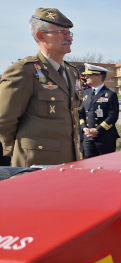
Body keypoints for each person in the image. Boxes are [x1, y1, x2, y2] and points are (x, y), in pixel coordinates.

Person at [0, 8, 83, 167]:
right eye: (61, 32)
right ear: (40, 35)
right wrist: (17, 151)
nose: (69, 37)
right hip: (34, 163)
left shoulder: (72, 73)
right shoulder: (24, 71)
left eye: (69, 33)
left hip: (69, 161)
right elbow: (4, 120)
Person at [78, 64, 120, 158]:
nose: (86, 77)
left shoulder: (110, 94)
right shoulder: (85, 93)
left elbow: (112, 116)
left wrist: (97, 130)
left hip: (104, 138)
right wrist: (85, 129)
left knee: (105, 167)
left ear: (99, 77)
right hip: (88, 137)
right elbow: (81, 114)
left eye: (89, 75)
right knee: (88, 167)